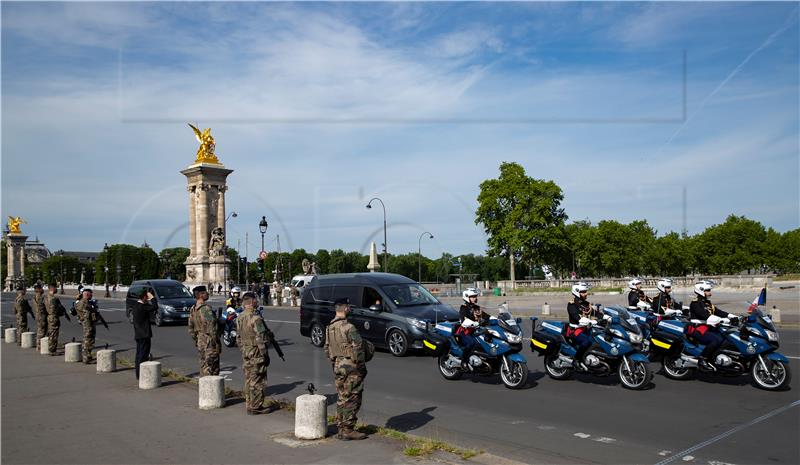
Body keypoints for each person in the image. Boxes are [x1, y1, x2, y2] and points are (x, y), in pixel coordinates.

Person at [324, 298, 368, 440]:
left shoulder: (329, 327)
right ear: (345, 308)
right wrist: (361, 367)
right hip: (350, 365)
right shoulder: (349, 327)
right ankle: (348, 429)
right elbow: (359, 348)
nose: (350, 309)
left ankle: (341, 428)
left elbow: (327, 349)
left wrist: (334, 364)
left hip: (337, 364)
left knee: (342, 396)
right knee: (353, 397)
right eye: (348, 306)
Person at [236, 292, 276, 415]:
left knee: (249, 379)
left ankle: (249, 403)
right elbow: (261, 339)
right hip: (256, 352)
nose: (257, 301)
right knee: (258, 380)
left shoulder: (240, 317)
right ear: (252, 301)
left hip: (246, 351)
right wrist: (265, 354)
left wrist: (243, 349)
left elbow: (238, 337)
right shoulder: (256, 318)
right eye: (256, 299)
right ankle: (256, 406)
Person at [688, 281, 732, 371]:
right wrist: (720, 319)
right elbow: (703, 315)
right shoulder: (695, 303)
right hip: (698, 329)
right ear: (701, 291)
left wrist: (732, 316)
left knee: (726, 337)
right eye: (708, 291)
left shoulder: (707, 303)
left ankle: (716, 358)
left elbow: (718, 312)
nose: (710, 293)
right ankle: (702, 359)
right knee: (716, 340)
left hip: (708, 328)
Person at [566, 282, 603, 369]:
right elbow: (578, 319)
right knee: (586, 342)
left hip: (586, 329)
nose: (586, 293)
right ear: (577, 292)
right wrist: (592, 321)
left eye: (586, 291)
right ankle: (576, 359)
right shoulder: (572, 305)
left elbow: (596, 313)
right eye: (583, 292)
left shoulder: (586, 304)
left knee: (600, 338)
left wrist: (608, 317)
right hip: (575, 331)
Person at [188, 285, 221, 376]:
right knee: (212, 368)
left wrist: (196, 340)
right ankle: (212, 389)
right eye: (205, 292)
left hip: (200, 341)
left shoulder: (193, 309)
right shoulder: (206, 309)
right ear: (201, 295)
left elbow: (190, 328)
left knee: (203, 365)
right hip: (209, 342)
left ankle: (204, 388)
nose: (207, 294)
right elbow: (212, 327)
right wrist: (216, 342)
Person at [455, 288, 490, 370]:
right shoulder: (463, 308)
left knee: (488, 339)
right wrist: (476, 323)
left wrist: (497, 320)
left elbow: (486, 316)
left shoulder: (477, 308)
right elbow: (464, 321)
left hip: (476, 331)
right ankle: (464, 361)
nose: (475, 298)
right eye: (473, 296)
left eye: (475, 296)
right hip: (465, 332)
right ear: (467, 297)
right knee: (471, 343)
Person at [131, 287, 158, 379]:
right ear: (144, 297)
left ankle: (138, 374)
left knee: (138, 354)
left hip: (138, 334)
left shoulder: (135, 305)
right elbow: (155, 306)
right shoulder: (142, 307)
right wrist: (152, 297)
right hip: (144, 334)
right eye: (146, 297)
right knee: (143, 355)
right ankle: (141, 375)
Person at [74, 288, 100, 364]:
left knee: (90, 341)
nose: (92, 295)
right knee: (87, 341)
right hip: (87, 325)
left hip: (90, 324)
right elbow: (87, 315)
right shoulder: (83, 303)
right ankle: (85, 358)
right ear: (87, 294)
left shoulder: (87, 303)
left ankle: (88, 356)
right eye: (90, 294)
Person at [45, 282, 69, 355]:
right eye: (56, 287)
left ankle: (51, 349)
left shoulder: (47, 297)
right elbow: (54, 310)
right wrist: (61, 313)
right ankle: (52, 350)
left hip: (49, 317)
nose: (57, 289)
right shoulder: (53, 299)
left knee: (51, 333)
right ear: (52, 288)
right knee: (54, 334)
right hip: (53, 317)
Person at [32, 283, 48, 351]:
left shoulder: (34, 297)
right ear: (38, 289)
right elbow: (47, 307)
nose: (42, 289)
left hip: (38, 316)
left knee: (39, 330)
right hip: (42, 316)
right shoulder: (41, 297)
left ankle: (38, 345)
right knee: (42, 332)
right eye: (41, 288)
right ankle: (40, 346)